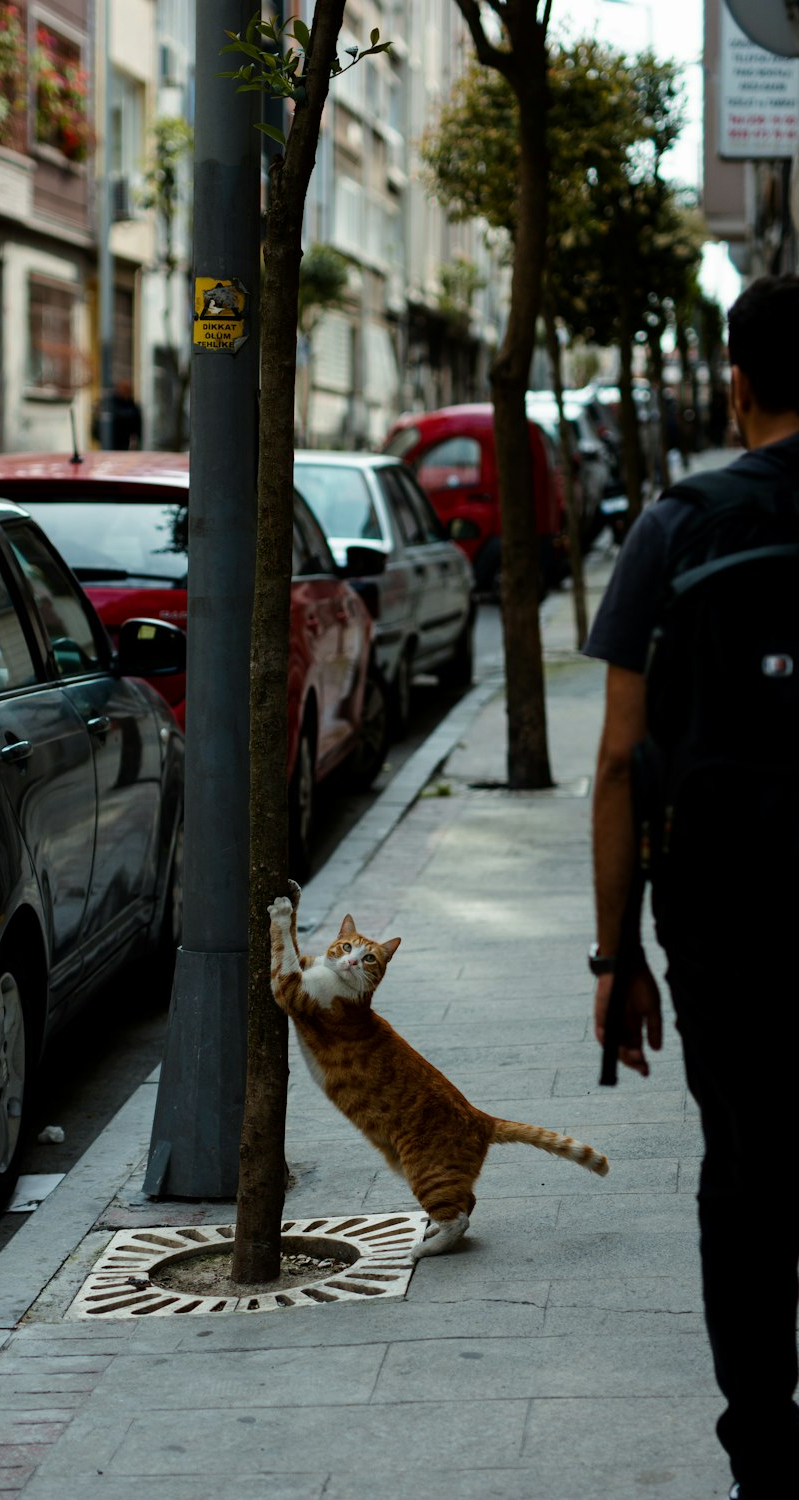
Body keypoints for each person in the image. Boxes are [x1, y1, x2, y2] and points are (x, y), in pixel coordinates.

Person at [584, 274, 799, 1500]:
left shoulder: (677, 526)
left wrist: (613, 962)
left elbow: (618, 759)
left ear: (736, 386)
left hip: (724, 922)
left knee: (747, 1170)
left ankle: (762, 1451)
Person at [92, 380, 142, 450]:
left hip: (124, 441)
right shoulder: (111, 403)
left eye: (128, 390)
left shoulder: (132, 406)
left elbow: (137, 424)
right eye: (124, 389)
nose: (126, 392)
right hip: (110, 440)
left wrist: (135, 439)